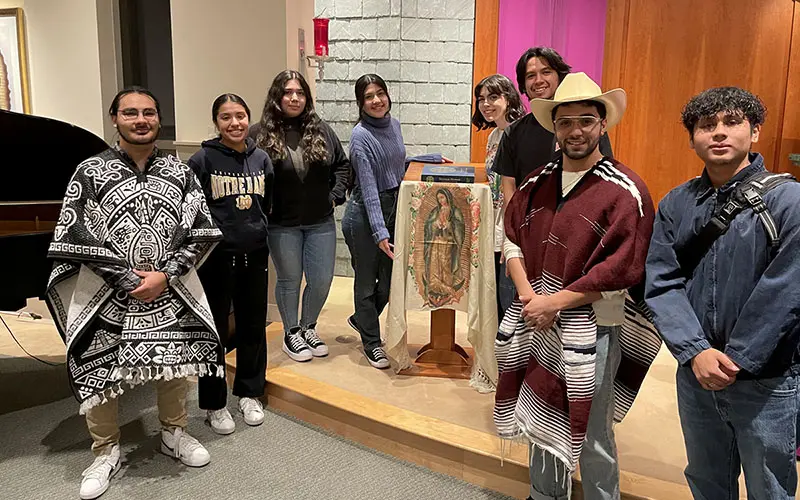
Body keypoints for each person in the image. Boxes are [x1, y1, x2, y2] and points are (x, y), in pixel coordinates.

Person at [45, 86, 224, 500]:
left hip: (169, 287)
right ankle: (105, 451)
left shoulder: (181, 172)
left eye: (148, 113)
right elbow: (75, 233)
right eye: (130, 113)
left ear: (158, 119)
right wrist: (126, 280)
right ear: (115, 119)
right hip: (106, 294)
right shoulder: (89, 172)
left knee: (173, 364)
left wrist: (166, 275)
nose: (140, 120)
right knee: (100, 368)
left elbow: (199, 231)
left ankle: (174, 434)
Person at [495, 73, 659, 500]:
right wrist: (531, 296)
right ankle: (543, 494)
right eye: (565, 122)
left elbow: (623, 269)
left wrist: (557, 302)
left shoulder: (625, 192)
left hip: (595, 327)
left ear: (603, 124)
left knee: (591, 427)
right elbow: (510, 237)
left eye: (586, 120)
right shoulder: (535, 183)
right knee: (539, 414)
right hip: (538, 321)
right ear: (555, 127)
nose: (575, 131)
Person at [645, 87, 800, 499]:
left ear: (755, 131)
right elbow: (661, 282)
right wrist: (695, 351)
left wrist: (736, 359)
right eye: (706, 125)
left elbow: (786, 290)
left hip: (766, 378)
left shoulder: (789, 201)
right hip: (696, 373)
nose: (718, 133)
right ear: (692, 136)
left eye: (731, 123)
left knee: (770, 486)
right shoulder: (676, 203)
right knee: (707, 480)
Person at [188, 93, 274, 435]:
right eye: (226, 117)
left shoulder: (262, 159)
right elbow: (191, 211)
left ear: (248, 118)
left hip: (255, 254)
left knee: (254, 325)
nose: (234, 123)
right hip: (216, 259)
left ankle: (250, 392)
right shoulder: (202, 160)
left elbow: (268, 205)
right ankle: (214, 403)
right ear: (216, 123)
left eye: (240, 116)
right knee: (215, 331)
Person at [250, 70, 350, 363]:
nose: (294, 98)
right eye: (288, 92)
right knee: (290, 280)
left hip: (320, 221)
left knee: (321, 280)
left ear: (306, 98)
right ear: (277, 96)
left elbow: (342, 166)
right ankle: (291, 332)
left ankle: (309, 327)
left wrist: (333, 196)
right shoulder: (259, 134)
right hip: (282, 224)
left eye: (300, 93)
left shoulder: (321, 130)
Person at [493, 47, 613, 208]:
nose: (538, 80)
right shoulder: (513, 132)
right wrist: (515, 225)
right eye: (530, 76)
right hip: (530, 222)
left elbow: (602, 177)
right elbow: (509, 187)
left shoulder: (588, 128)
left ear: (559, 76)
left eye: (546, 72)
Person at [341, 74, 406, 369]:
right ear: (360, 103)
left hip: (392, 209)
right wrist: (380, 231)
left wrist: (428, 160)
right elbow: (368, 188)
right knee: (367, 283)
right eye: (369, 96)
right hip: (364, 215)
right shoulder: (360, 137)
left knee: (390, 282)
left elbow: (394, 164)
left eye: (380, 93)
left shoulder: (394, 125)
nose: (377, 100)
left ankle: (361, 318)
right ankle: (371, 342)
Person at [472, 73, 525, 322]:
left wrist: (511, 233)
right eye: (481, 99)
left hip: (511, 230)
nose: (486, 104)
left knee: (510, 302)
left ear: (509, 98)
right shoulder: (494, 136)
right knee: (493, 300)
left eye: (493, 97)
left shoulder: (520, 133)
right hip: (494, 225)